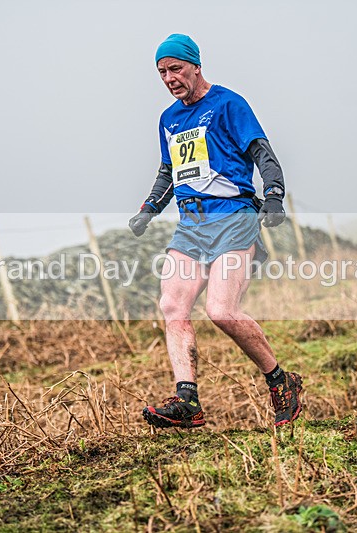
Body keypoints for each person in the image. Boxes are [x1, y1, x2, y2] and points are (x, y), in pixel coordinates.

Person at [129, 34, 303, 428]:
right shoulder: (169, 119)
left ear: (195, 65)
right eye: (162, 73)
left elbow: (263, 152)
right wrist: (148, 208)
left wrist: (274, 195)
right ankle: (187, 401)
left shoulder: (228, 103)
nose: (170, 78)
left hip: (234, 218)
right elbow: (169, 171)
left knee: (221, 311)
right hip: (191, 225)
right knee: (172, 306)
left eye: (175, 68)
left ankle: (281, 382)